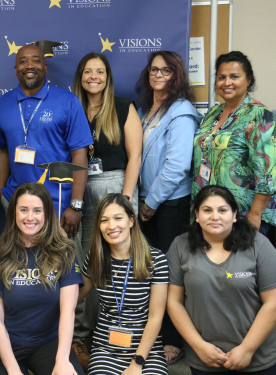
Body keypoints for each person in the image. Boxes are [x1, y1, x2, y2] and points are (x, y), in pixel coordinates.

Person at [0, 44, 93, 367]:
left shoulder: (66, 101)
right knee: (21, 276)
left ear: (46, 67)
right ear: (16, 68)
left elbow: (80, 153)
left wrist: (76, 204)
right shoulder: (5, 104)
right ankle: (22, 344)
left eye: (36, 60)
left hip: (59, 208)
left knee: (67, 278)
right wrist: (1, 189)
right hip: (19, 211)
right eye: (23, 61)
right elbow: (1, 150)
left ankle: (70, 342)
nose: (30, 66)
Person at [167, 185, 276, 375]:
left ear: (234, 215)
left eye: (222, 210)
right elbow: (174, 302)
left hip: (256, 357)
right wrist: (199, 346)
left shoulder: (258, 244)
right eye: (207, 210)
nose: (215, 216)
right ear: (197, 215)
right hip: (205, 356)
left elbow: (275, 302)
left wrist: (247, 349)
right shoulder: (180, 246)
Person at [72, 53, 143, 346]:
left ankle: (123, 333)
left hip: (116, 186)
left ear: (107, 76)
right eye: (88, 71)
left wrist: (126, 198)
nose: (93, 77)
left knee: (121, 260)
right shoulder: (72, 107)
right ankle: (82, 336)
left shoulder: (124, 107)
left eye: (99, 72)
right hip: (81, 188)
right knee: (88, 263)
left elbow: (135, 156)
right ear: (81, 76)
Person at [136, 50, 201, 362]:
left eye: (165, 70)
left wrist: (149, 203)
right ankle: (152, 335)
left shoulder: (182, 111)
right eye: (153, 69)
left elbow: (176, 166)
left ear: (177, 75)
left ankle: (173, 339)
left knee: (171, 274)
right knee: (150, 273)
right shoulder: (146, 109)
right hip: (147, 203)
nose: (158, 75)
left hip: (169, 204)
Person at [0, 183, 84, 375]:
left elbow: (68, 312)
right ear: (14, 214)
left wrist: (61, 360)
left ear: (47, 215)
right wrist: (12, 369)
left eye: (37, 210)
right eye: (23, 210)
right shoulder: (1, 255)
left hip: (48, 342)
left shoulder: (64, 253)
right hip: (6, 341)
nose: (30, 217)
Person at [192, 51, 276, 236]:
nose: (227, 82)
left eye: (234, 77)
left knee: (239, 265)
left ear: (248, 80)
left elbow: (269, 175)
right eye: (221, 77)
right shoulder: (212, 114)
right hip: (208, 212)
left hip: (242, 215)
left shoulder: (260, 116)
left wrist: (254, 215)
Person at [79, 193, 168, 374]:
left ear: (131, 221)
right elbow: (73, 297)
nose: (111, 226)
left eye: (118, 218)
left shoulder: (155, 260)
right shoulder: (96, 259)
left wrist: (137, 363)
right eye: (104, 220)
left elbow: (155, 318)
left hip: (146, 352)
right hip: (106, 350)